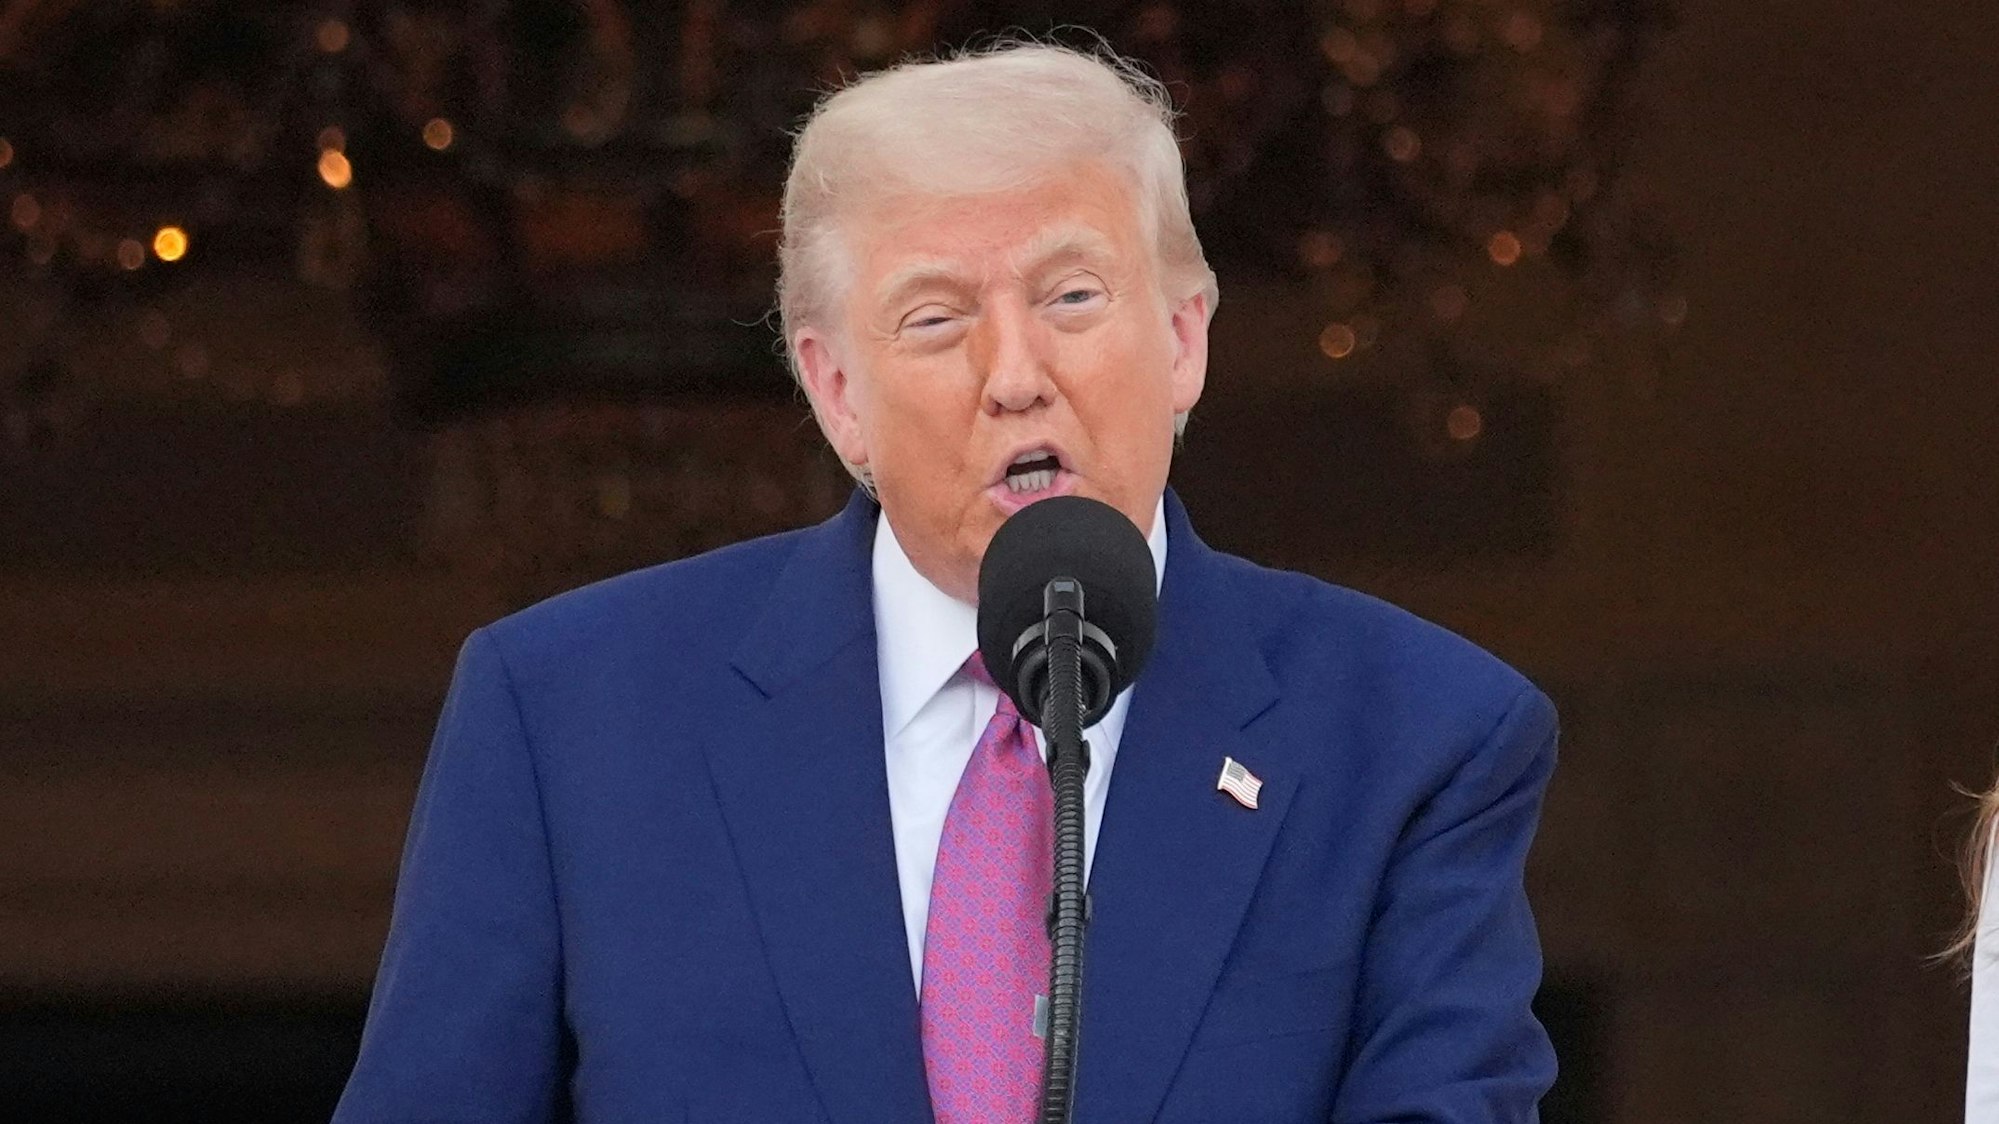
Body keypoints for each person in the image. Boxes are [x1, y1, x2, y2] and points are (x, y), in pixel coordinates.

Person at [335, 42, 1560, 1123]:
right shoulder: (566, 715)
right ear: (835, 392)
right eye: (934, 319)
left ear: (1184, 337)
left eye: (1072, 296)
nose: (1014, 372)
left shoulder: (1417, 735)